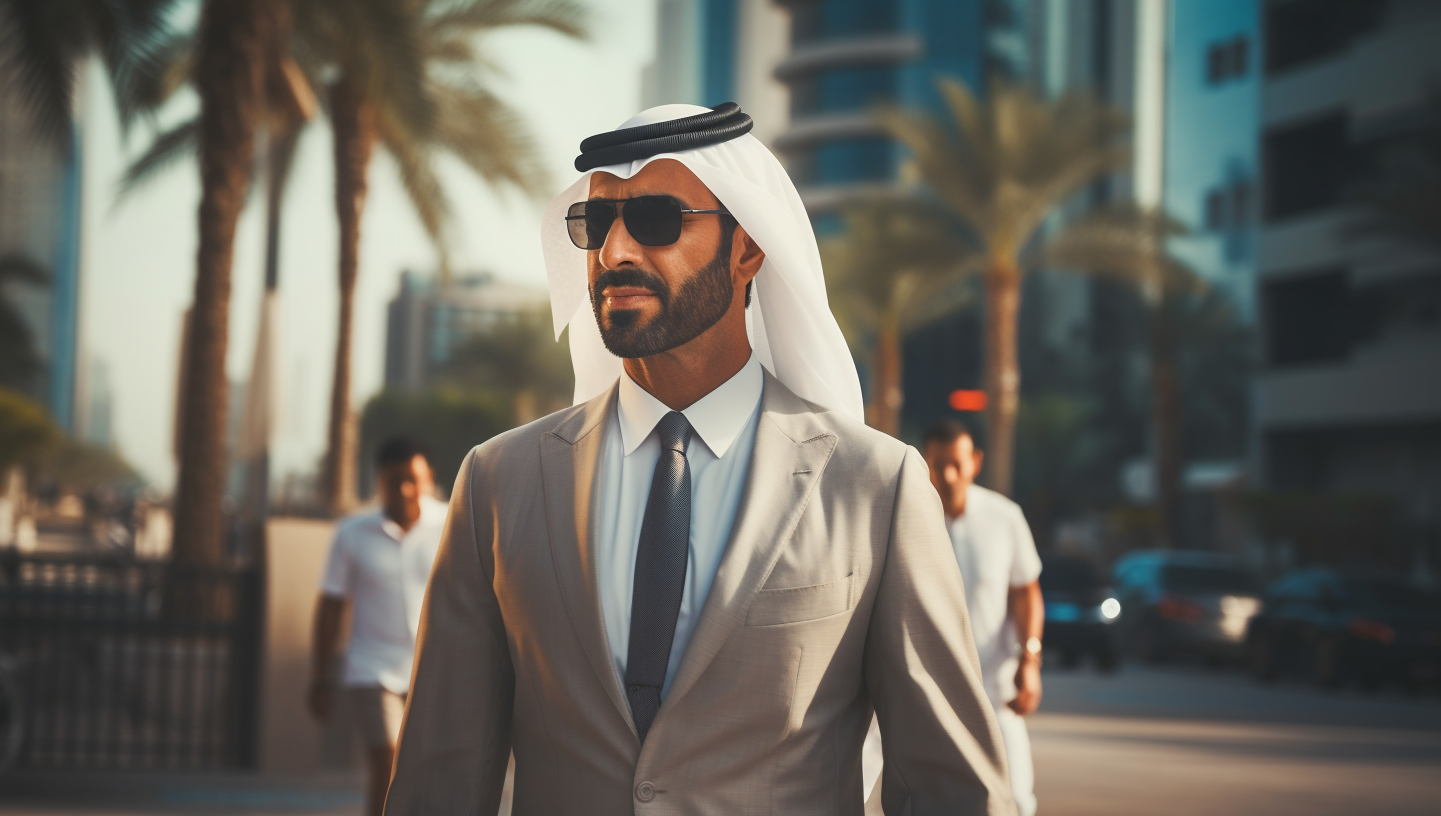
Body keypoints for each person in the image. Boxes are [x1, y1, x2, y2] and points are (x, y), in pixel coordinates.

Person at [385, 103, 1015, 816]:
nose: (615, 252)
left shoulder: (874, 488)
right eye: (596, 225)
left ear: (747, 249)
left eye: (655, 220)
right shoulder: (500, 483)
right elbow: (439, 779)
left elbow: (951, 787)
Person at [307, 437, 448, 816]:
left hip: (436, 669)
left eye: (413, 479)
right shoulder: (352, 533)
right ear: (378, 481)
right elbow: (331, 605)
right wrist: (320, 678)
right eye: (394, 480)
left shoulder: (454, 523)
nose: (405, 490)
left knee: (434, 773)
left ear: (429, 479)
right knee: (388, 764)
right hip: (374, 668)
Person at [924, 420, 1045, 816]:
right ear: (925, 461)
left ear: (975, 461)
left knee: (1015, 801)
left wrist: (1030, 661)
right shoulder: (907, 515)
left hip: (994, 692)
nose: (947, 474)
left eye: (956, 463)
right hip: (926, 695)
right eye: (938, 463)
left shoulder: (1004, 517)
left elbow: (1026, 592)